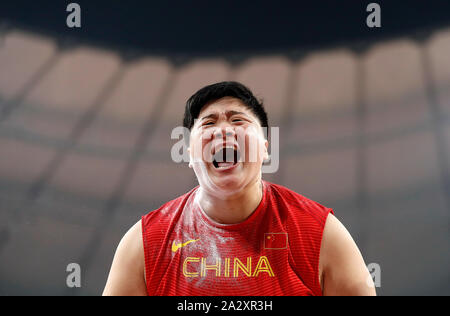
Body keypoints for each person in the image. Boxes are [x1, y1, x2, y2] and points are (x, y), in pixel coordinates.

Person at [103, 81, 376, 296]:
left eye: (238, 121)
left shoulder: (321, 234)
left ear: (266, 149)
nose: (223, 130)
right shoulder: (144, 243)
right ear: (188, 153)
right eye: (209, 123)